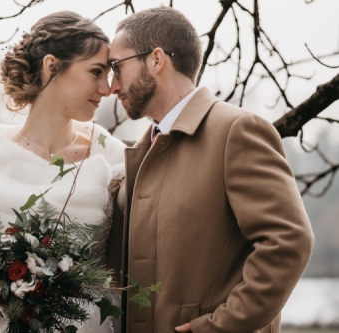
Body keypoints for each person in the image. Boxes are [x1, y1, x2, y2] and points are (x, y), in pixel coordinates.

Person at [105, 6, 314, 333]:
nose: (112, 85)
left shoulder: (237, 131)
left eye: (117, 67)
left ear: (156, 60)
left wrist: (220, 327)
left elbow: (290, 241)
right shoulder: (141, 151)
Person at [0, 11, 125, 333]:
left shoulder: (110, 154)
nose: (107, 88)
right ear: (52, 67)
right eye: (96, 72)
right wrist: (17, 299)